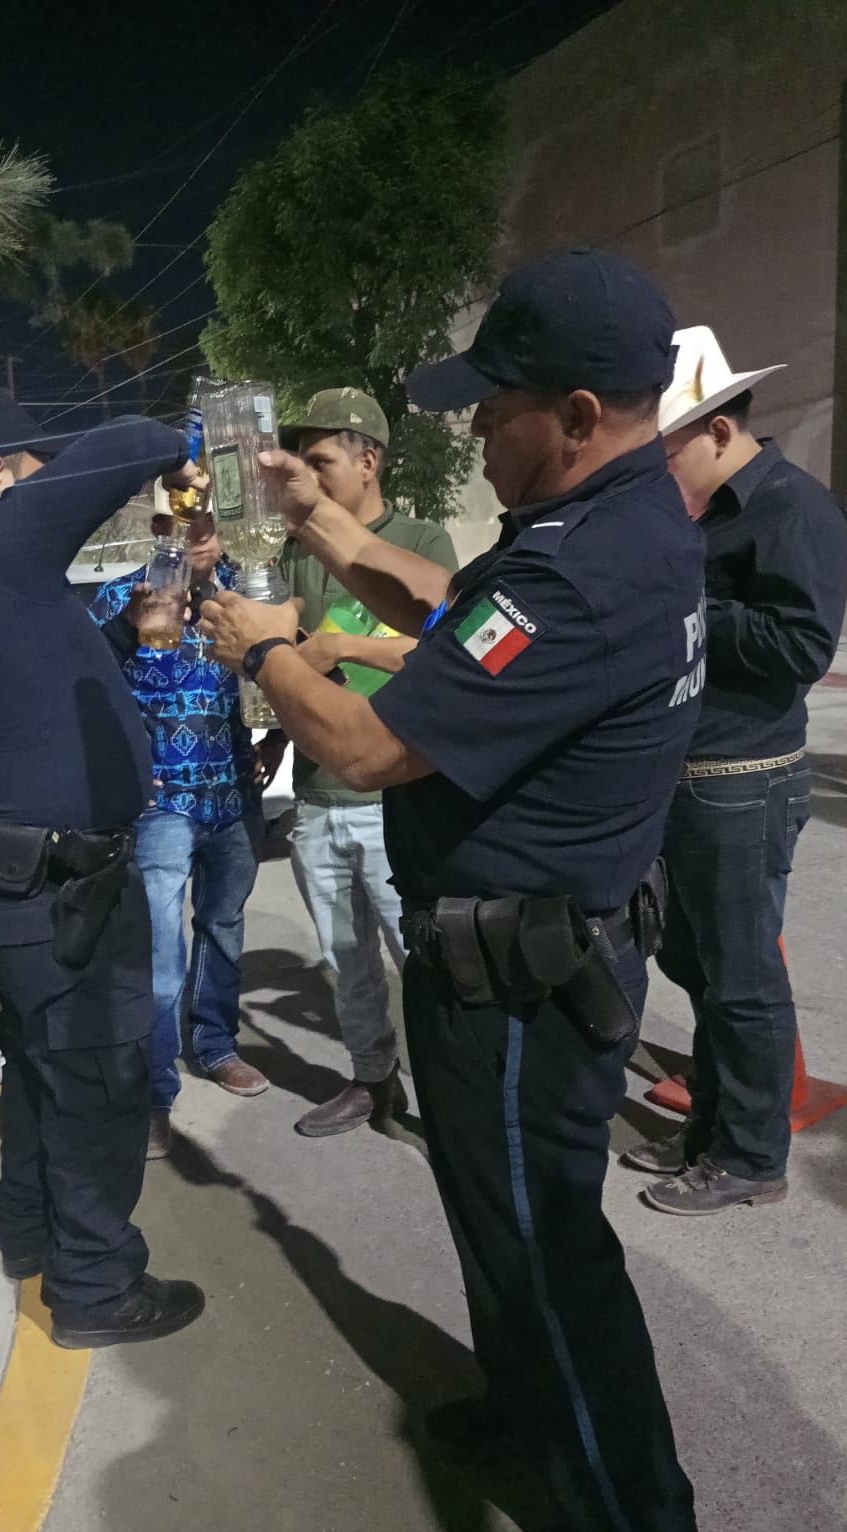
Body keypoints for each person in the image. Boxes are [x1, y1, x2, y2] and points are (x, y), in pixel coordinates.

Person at [202, 249, 726, 1532]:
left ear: (580, 413)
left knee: (549, 1255)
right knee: (498, 1226)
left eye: (498, 403)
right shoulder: (608, 524)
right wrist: (323, 523)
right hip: (526, 955)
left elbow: (369, 748)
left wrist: (263, 649)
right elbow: (450, 609)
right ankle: (535, 1417)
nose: (475, 423)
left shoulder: (579, 572)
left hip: (519, 981)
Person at [0, 387, 206, 1350]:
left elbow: (22, 678)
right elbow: (128, 441)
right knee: (99, 1085)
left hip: (15, 882)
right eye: (29, 472)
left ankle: (30, 1234)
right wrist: (195, 446)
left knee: (40, 1070)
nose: (38, 487)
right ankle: (96, 1287)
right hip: (65, 888)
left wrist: (122, 631)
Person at [622, 327, 847, 1217]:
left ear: (719, 430)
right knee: (704, 968)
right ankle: (715, 1127)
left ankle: (752, 1155)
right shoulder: (706, 512)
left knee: (743, 975)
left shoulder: (794, 510)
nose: (660, 473)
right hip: (695, 774)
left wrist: (685, 606)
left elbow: (800, 647)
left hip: (744, 776)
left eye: (666, 452)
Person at [263, 388, 457, 1137]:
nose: (305, 475)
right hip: (318, 797)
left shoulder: (421, 541)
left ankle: (454, 1098)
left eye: (320, 461)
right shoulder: (295, 550)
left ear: (368, 459)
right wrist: (276, 735)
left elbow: (448, 649)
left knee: (424, 963)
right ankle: (373, 1082)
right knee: (347, 964)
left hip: (397, 798)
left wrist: (344, 646)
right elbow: (286, 654)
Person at [88, 507, 270, 1161]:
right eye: (183, 528)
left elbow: (280, 673)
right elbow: (90, 695)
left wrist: (275, 742)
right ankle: (154, 1093)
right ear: (161, 532)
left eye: (207, 527)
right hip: (160, 808)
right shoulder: (124, 599)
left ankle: (215, 1045)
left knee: (223, 929)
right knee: (160, 960)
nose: (197, 540)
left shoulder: (245, 597)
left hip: (233, 797)